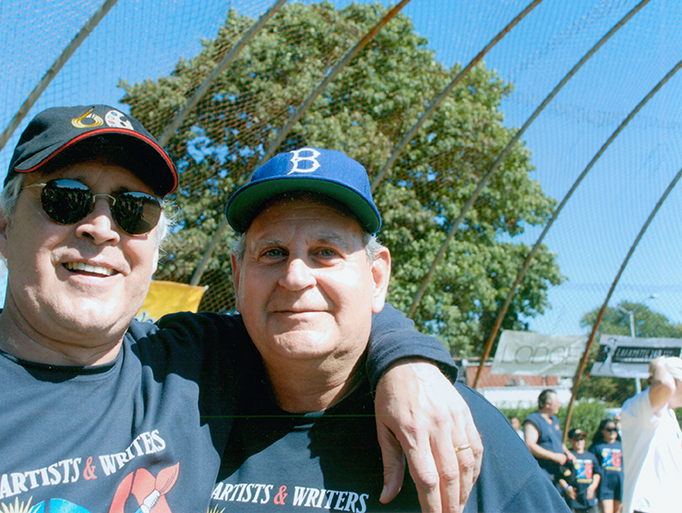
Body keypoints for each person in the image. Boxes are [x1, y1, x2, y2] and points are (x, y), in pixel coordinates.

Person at [0, 106, 481, 513]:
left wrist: (407, 362)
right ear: (4, 226)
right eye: (67, 198)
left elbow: (318, 314)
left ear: (154, 248)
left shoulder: (186, 362)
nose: (101, 228)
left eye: (135, 210)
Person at [209, 147, 570, 512]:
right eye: (273, 252)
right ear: (239, 278)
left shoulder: (455, 424)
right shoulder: (186, 403)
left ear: (377, 278)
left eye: (325, 251)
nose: (295, 277)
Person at [621, 356, 682, 513]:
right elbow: (664, 385)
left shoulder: (669, 415)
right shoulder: (640, 407)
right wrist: (658, 364)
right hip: (647, 508)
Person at [524, 389, 574, 483]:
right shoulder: (533, 420)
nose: (559, 405)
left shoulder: (554, 420)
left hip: (557, 472)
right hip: (543, 473)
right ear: (547, 404)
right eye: (557, 402)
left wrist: (568, 453)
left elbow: (559, 443)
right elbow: (530, 445)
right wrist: (554, 456)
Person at [559, 428, 601, 513]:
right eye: (576, 440)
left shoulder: (591, 456)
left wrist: (593, 487)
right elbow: (559, 475)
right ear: (570, 440)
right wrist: (567, 488)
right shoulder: (568, 456)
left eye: (582, 439)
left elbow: (597, 473)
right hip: (574, 498)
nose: (579, 442)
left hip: (588, 497)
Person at [589, 418, 623, 513]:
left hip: (619, 484)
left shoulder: (622, 445)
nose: (612, 432)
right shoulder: (596, 447)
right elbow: (593, 468)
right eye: (609, 429)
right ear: (602, 431)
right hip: (605, 485)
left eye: (614, 429)